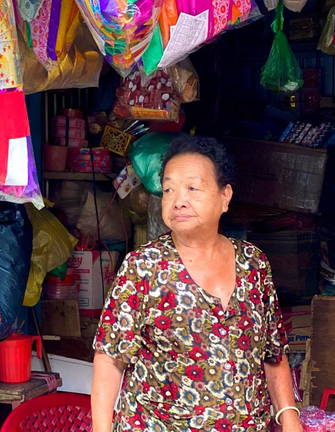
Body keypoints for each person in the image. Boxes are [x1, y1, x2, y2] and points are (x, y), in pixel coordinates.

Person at [92, 136, 302, 432]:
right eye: (169, 189)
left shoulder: (253, 264)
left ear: (225, 196)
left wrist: (289, 417)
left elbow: (272, 352)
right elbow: (110, 358)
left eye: (193, 188)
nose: (178, 200)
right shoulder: (144, 266)